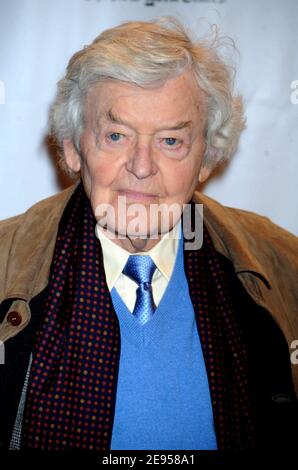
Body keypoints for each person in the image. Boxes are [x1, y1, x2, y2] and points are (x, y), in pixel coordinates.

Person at [0, 17, 297, 453]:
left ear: (209, 157)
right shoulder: (5, 264)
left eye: (171, 141)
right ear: (72, 147)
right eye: (116, 135)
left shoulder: (283, 264)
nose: (141, 166)